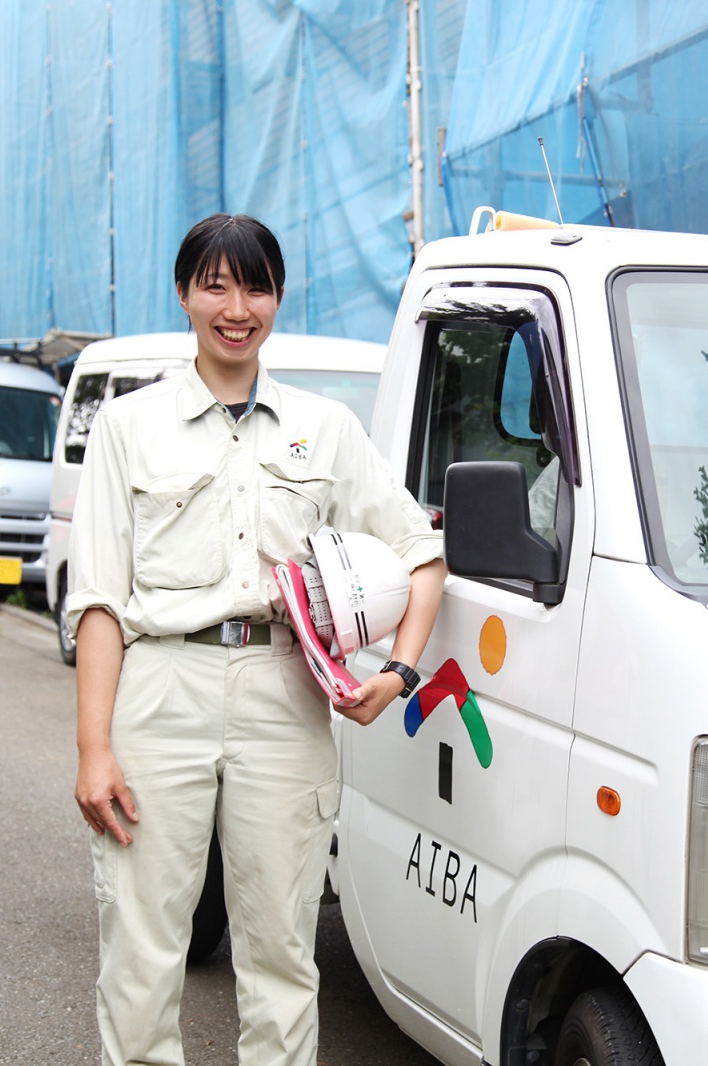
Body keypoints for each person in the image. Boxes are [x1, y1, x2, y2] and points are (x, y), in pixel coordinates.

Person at [67, 213, 446, 1066]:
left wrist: (399, 671)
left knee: (280, 952)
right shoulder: (130, 427)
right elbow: (97, 601)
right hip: (161, 689)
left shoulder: (326, 429)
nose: (237, 308)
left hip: (286, 694)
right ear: (186, 294)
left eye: (256, 286)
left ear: (278, 296)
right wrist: (95, 746)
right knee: (142, 949)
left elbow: (423, 553)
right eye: (216, 285)